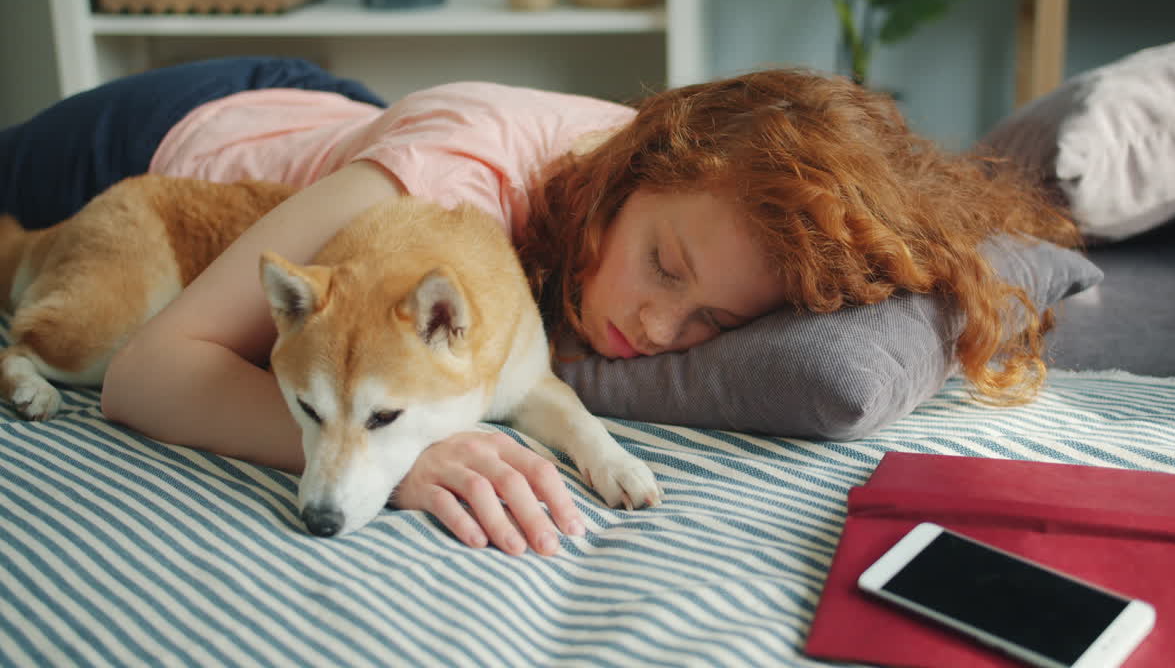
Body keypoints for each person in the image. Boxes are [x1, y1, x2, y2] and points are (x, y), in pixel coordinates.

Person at [0, 57, 1078, 556]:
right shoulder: (445, 177)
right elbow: (146, 371)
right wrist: (396, 455)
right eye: (661, 265)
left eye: (708, 322)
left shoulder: (706, 195)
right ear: (634, 168)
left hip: (335, 123)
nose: (658, 329)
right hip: (162, 135)